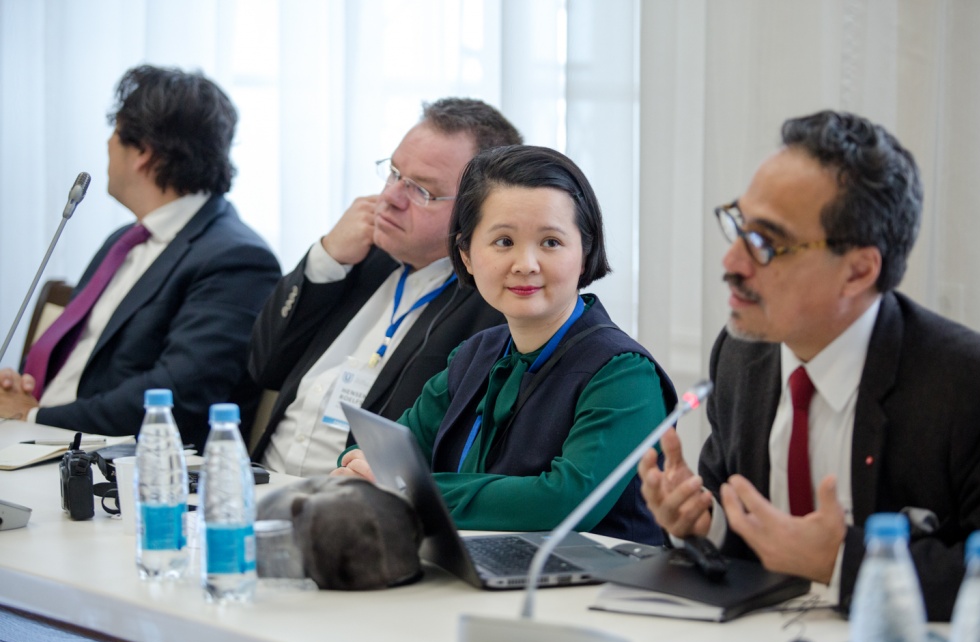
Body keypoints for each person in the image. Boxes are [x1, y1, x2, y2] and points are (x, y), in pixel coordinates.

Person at [638, 110, 980, 620]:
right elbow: (732, 512)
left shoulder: (972, 387)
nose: (732, 262)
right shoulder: (741, 354)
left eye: (767, 243)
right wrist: (703, 522)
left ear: (858, 271)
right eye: (739, 226)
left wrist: (842, 562)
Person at [335, 145, 676, 544]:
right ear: (466, 254)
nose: (526, 264)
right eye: (503, 241)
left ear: (584, 253)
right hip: (475, 563)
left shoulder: (625, 374)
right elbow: (386, 450)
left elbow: (564, 501)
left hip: (595, 578)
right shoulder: (474, 354)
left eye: (551, 242)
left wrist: (412, 490)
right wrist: (362, 466)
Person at [0, 65, 281, 448]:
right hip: (39, 437)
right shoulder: (123, 241)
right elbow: (81, 358)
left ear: (144, 153)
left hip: (115, 461)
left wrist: (32, 416)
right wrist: (21, 390)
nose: (107, 145)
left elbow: (177, 395)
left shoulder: (238, 259)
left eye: (115, 132)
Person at [248, 98, 522, 476]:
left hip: (354, 498)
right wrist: (327, 258)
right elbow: (263, 366)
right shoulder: (359, 256)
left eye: (421, 190)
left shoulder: (492, 305)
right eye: (394, 174)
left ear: (478, 211)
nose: (389, 198)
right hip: (261, 481)